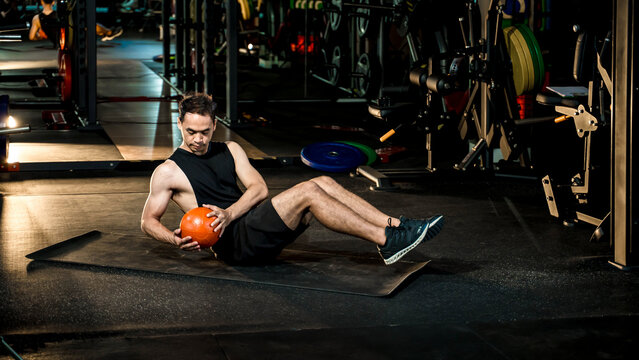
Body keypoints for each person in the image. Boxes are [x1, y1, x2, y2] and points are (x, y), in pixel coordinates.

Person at [140, 93, 444, 265]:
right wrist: (174, 238)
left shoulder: (230, 149)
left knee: (323, 182)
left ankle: (396, 226)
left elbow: (259, 188)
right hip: (234, 245)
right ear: (179, 124)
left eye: (204, 132)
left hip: (248, 222)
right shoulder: (168, 171)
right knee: (309, 191)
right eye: (190, 131)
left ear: (214, 126)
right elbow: (148, 221)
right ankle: (385, 241)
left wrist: (230, 212)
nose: (197, 139)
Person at [29, 0, 123, 46]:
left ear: (41, 1)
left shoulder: (37, 19)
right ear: (53, 2)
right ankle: (108, 32)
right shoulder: (60, 14)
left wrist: (40, 35)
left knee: (87, 26)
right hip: (70, 39)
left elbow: (31, 37)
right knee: (88, 25)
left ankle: (107, 33)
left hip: (59, 42)